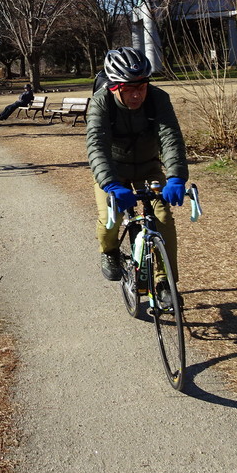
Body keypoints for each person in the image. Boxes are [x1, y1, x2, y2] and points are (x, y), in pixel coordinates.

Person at [86, 47, 189, 294]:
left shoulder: (157, 99)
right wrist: (110, 184)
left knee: (163, 219)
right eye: (128, 89)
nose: (136, 95)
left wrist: (176, 177)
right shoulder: (101, 103)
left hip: (148, 166)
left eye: (141, 87)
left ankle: (165, 282)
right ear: (114, 87)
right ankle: (109, 251)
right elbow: (97, 145)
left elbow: (170, 138)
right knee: (111, 217)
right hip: (113, 170)